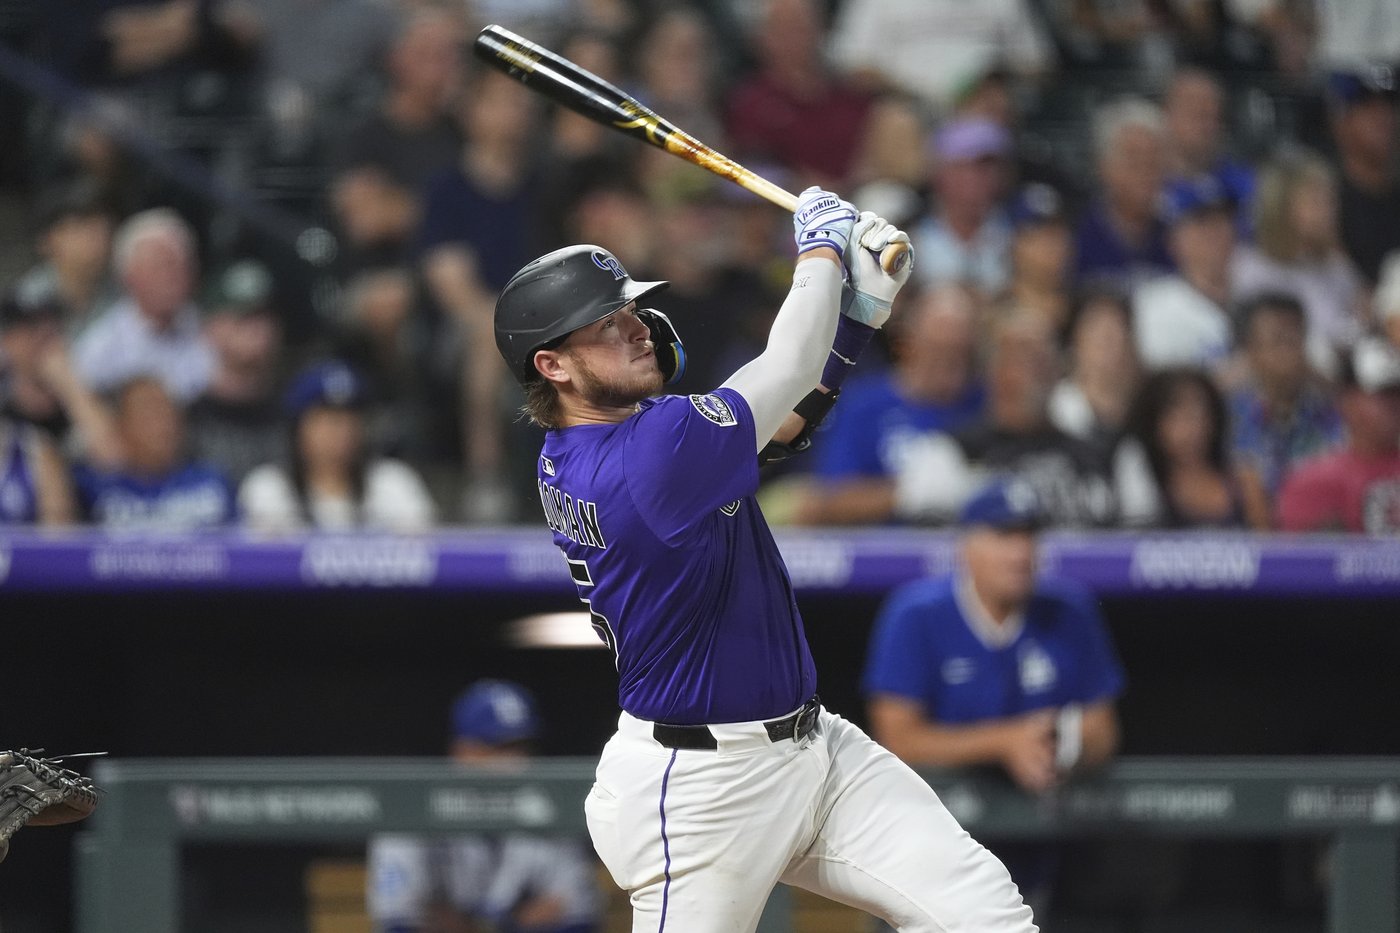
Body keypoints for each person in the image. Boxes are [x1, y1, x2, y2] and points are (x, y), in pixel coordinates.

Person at [494, 190, 1036, 930]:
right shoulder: (641, 457)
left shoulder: (622, 435)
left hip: (815, 752)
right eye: (604, 327)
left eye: (628, 311)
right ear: (552, 364)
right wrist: (818, 249)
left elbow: (778, 424)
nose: (636, 330)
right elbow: (786, 365)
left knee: (986, 915)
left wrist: (857, 317)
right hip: (699, 791)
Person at [863, 478, 1124, 908]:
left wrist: (1060, 745)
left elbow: (1103, 728)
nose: (1021, 553)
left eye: (1029, 537)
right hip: (925, 862)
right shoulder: (916, 613)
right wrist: (1005, 742)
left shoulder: (1068, 610)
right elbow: (897, 738)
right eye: (1004, 536)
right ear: (966, 547)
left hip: (1039, 855)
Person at [366, 680, 601, 933]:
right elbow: (399, 921)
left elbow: (578, 918)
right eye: (499, 748)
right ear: (463, 750)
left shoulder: (547, 808)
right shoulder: (411, 809)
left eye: (521, 747)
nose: (516, 761)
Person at [893, 311, 1117, 528]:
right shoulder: (947, 453)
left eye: (1045, 357)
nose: (1040, 370)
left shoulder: (1098, 456)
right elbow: (931, 551)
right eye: (1024, 359)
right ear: (996, 372)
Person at [796, 284, 984, 525]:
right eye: (939, 350)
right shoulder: (864, 406)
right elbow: (825, 502)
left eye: (962, 353)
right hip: (885, 552)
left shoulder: (983, 403)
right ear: (907, 344)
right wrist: (904, 494)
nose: (952, 364)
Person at [238, 360, 436, 533]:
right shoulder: (268, 487)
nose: (343, 432)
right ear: (298, 429)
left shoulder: (393, 483)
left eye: (352, 420)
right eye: (329, 420)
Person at [1231, 151, 1366, 376]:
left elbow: (1358, 324)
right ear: (1282, 207)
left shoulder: (1337, 266)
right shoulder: (1252, 269)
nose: (1327, 211)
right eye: (1315, 201)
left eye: (1330, 201)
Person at [72, 208, 215, 403]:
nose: (173, 276)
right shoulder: (99, 350)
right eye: (161, 266)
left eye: (181, 264)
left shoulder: (212, 330)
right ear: (128, 277)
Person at [1228, 293, 1342, 529]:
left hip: (1322, 539)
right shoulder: (1229, 415)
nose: (1290, 351)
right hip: (1246, 543)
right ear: (1251, 350)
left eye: (1296, 338)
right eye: (1278, 340)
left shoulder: (1329, 412)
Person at [74, 375, 236, 531]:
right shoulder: (96, 488)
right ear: (121, 426)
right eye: (148, 412)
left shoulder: (212, 482)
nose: (163, 423)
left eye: (167, 409)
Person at [1277, 337, 1400, 534]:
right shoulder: (1313, 481)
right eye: (1383, 395)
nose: (1395, 404)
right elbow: (1303, 560)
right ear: (1347, 401)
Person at [1114, 367, 1245, 528]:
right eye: (1179, 417)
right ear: (1154, 423)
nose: (1193, 429)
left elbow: (1269, 549)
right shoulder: (1141, 484)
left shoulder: (1243, 483)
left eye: (1200, 415)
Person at [1131, 176, 1238, 372]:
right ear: (1173, 241)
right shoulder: (1154, 308)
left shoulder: (1260, 289)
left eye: (1223, 219)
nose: (1217, 232)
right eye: (1202, 222)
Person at [1072, 98, 1173, 291]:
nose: (1146, 171)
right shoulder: (1076, 238)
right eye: (1133, 159)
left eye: (1154, 159)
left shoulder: (1177, 238)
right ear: (1104, 166)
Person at [911, 117, 1014, 299]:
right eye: (964, 166)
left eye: (986, 168)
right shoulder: (910, 235)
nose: (976, 178)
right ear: (940, 172)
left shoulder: (1018, 235)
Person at [1326, 66, 1400, 287]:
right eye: (1367, 107)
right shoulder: (1328, 198)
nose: (1383, 118)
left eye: (1389, 104)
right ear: (1340, 122)